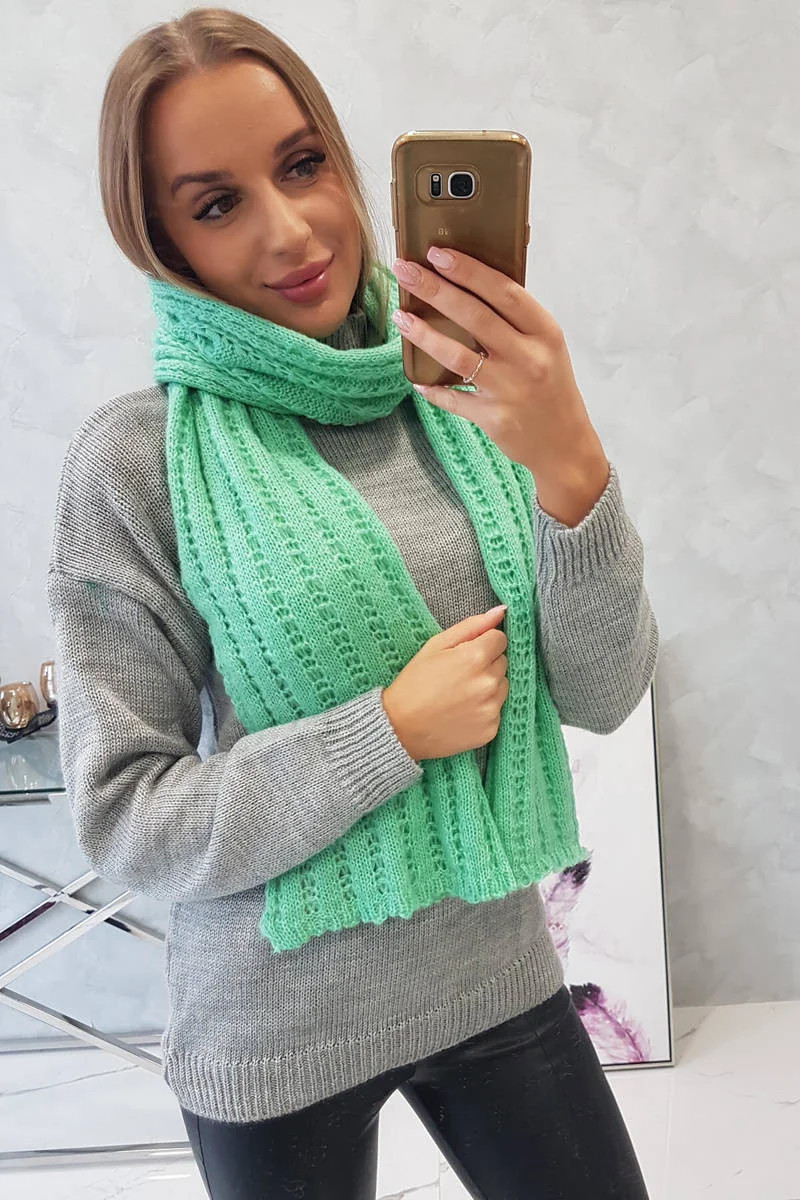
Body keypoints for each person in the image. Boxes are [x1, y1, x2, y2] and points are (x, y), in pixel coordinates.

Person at [47, 7, 658, 1198]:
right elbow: (126, 820)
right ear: (160, 239)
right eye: (216, 203)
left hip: (490, 966)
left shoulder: (467, 395)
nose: (289, 231)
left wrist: (569, 459)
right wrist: (386, 733)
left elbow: (601, 690)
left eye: (300, 164)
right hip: (276, 1031)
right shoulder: (132, 464)